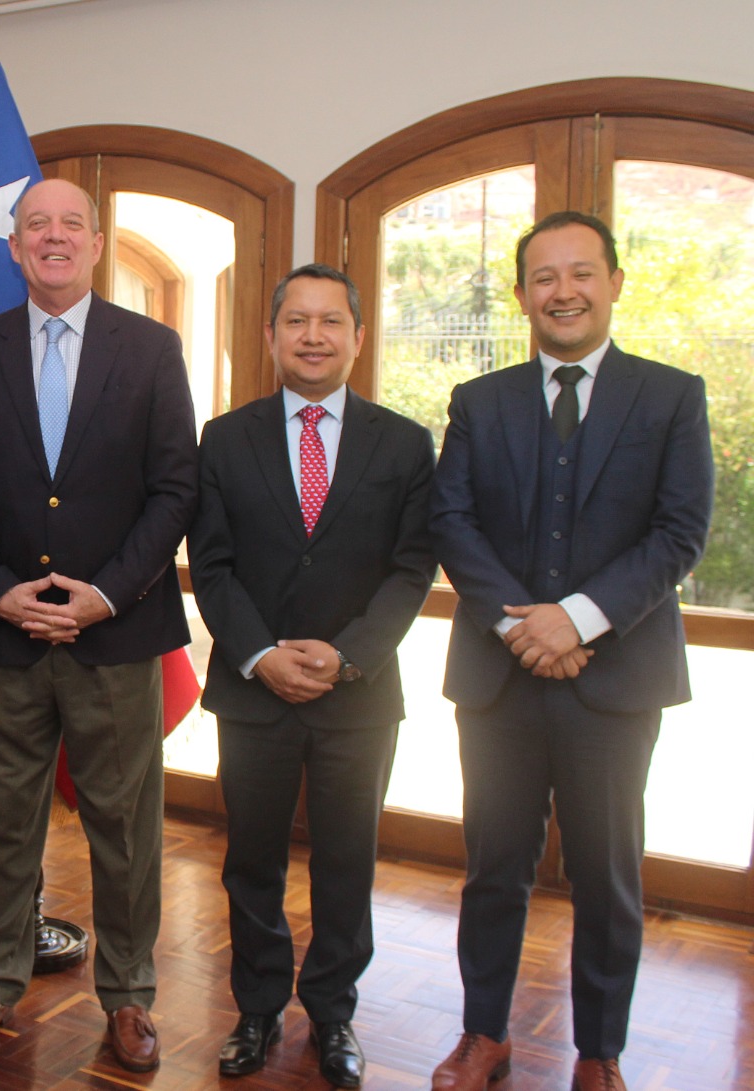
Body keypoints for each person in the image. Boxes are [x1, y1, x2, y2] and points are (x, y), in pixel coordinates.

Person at [428, 211, 714, 1091]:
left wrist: (579, 618)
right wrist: (523, 625)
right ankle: (485, 1033)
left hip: (615, 680)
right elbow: (452, 520)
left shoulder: (671, 396)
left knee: (607, 877)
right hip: (500, 680)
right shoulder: (480, 401)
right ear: (520, 295)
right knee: (494, 869)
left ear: (615, 282)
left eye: (581, 272)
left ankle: (599, 1051)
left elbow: (679, 532)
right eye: (544, 277)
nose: (564, 291)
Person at [0, 178, 197, 1073]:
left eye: (69, 226)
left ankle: (127, 999)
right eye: (35, 225)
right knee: (2, 822)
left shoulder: (153, 348)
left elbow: (175, 491)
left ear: (94, 244)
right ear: (14, 247)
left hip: (115, 635)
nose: (52, 238)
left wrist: (108, 594)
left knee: (125, 828)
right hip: (7, 632)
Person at [189, 265, 435, 1088]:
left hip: (358, 697)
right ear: (270, 336)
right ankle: (257, 1007)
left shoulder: (404, 443)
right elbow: (213, 566)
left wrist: (350, 653)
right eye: (297, 320)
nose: (314, 335)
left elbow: (411, 569)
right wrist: (262, 654)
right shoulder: (224, 438)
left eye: (333, 321)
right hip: (252, 691)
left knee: (346, 861)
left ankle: (333, 1013)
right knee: (250, 859)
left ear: (359, 338)